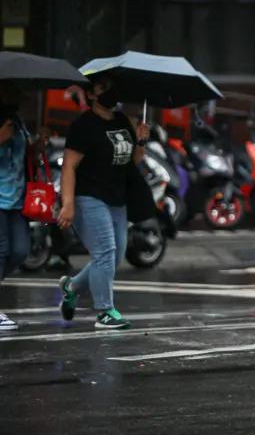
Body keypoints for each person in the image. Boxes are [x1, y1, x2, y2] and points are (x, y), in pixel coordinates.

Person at [56, 77, 150, 330]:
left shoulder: (121, 120)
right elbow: (69, 166)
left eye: (111, 87)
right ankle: (105, 311)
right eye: (103, 89)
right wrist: (67, 203)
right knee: (105, 252)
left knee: (114, 256)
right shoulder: (83, 125)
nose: (110, 92)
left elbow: (133, 161)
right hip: (88, 196)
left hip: (116, 198)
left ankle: (71, 286)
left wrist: (140, 140)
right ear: (91, 95)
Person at [0, 92, 30, 332]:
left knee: (20, 252)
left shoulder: (17, 121)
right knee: (1, 251)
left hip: (18, 200)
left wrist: (37, 144)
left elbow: (23, 154)